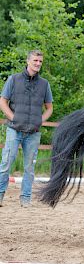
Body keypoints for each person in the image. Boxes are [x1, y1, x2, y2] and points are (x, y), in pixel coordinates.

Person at [0, 50, 53, 208]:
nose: (38, 64)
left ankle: (25, 199)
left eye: (40, 61)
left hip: (33, 133)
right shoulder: (14, 79)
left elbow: (49, 108)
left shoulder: (44, 84)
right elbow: (3, 101)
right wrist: (13, 117)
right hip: (14, 130)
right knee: (6, 164)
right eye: (35, 60)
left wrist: (39, 120)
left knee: (29, 168)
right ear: (28, 61)